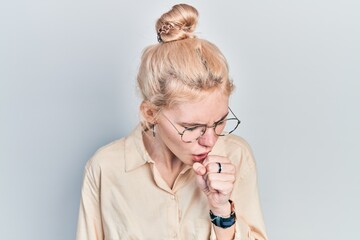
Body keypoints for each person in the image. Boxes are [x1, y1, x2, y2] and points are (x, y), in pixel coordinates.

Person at [76, 3, 268, 240]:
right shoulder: (105, 169)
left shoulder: (236, 156)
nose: (209, 140)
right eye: (191, 128)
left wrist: (221, 210)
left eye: (219, 122)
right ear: (150, 114)